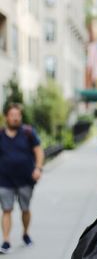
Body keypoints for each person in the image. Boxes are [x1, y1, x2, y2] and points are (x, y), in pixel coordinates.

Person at [0, 103, 44, 254]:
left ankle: (25, 233)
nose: (15, 118)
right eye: (12, 115)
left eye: (17, 115)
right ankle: (6, 241)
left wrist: (38, 168)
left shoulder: (28, 133)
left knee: (25, 209)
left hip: (26, 179)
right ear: (6, 117)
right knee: (6, 209)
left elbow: (38, 151)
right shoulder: (0, 134)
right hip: (4, 180)